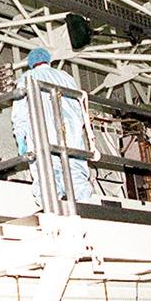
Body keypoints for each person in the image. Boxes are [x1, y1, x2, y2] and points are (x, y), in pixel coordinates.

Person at [10, 47, 93, 205]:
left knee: (46, 174)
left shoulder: (27, 78)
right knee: (75, 171)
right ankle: (85, 205)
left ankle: (50, 208)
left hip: (42, 133)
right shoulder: (66, 77)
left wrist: (21, 139)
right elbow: (78, 107)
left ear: (30, 63)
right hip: (70, 134)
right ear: (48, 60)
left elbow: (19, 115)